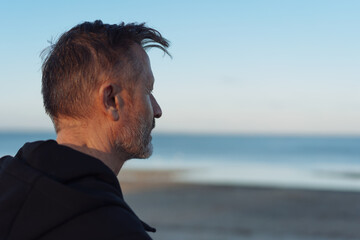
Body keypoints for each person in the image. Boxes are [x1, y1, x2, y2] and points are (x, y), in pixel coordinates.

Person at [0, 20, 170, 240]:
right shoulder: (115, 230)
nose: (157, 110)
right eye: (147, 90)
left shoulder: (8, 181)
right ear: (111, 100)